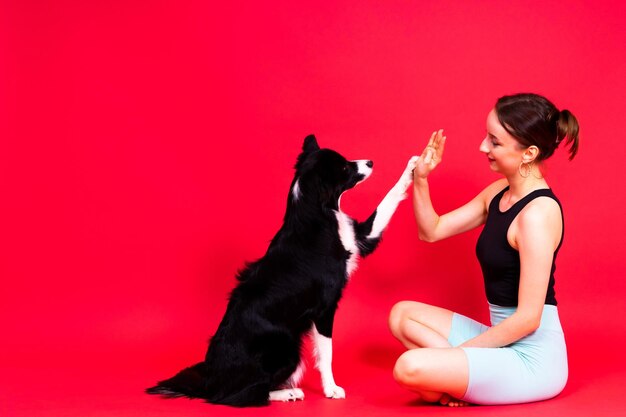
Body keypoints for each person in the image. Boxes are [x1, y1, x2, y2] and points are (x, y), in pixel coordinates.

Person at [388, 93, 580, 407]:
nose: (482, 147)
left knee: (409, 367)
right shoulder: (497, 193)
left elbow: (529, 319)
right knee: (401, 315)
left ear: (528, 153)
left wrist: (461, 355)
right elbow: (431, 231)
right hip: (500, 340)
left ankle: (454, 378)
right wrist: (421, 179)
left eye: (495, 142)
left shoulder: (538, 215)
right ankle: (458, 380)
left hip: (532, 360)